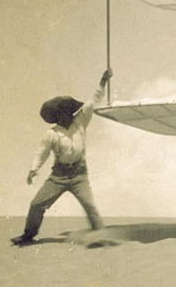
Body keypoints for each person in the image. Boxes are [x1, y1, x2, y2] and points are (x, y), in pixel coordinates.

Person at [11, 68, 114, 247]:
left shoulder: (81, 121)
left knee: (90, 206)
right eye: (64, 112)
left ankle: (101, 238)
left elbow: (93, 100)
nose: (69, 114)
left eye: (69, 111)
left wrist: (104, 80)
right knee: (36, 204)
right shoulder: (51, 134)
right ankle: (28, 236)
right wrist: (33, 169)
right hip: (57, 177)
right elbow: (41, 153)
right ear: (57, 115)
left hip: (79, 176)